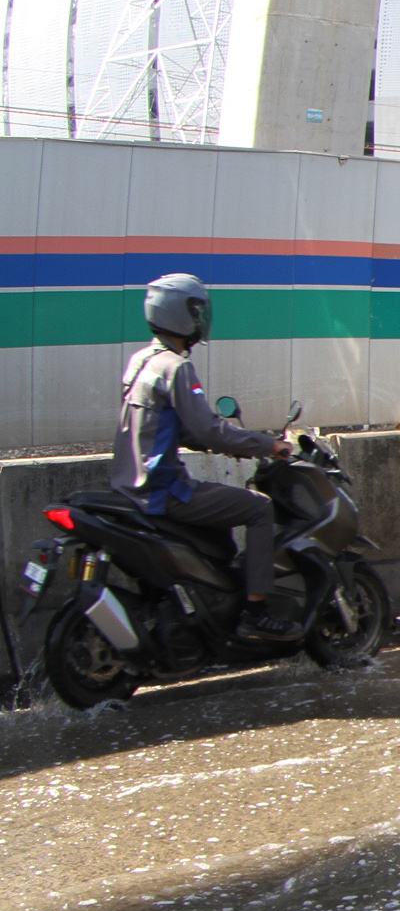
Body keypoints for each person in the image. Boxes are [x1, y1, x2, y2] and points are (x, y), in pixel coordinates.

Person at [114, 274, 299, 640]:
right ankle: (256, 611)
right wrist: (266, 445)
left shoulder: (142, 362)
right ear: (180, 314)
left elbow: (172, 428)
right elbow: (206, 429)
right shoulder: (177, 367)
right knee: (258, 509)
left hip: (129, 486)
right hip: (163, 490)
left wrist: (222, 443)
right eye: (197, 311)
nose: (202, 319)